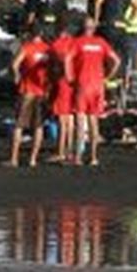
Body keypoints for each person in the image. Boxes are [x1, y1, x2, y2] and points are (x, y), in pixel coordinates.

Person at [67, 15, 120, 168]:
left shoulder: (77, 42)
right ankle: (94, 157)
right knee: (94, 121)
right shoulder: (101, 42)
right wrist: (107, 75)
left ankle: (77, 157)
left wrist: (70, 77)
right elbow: (116, 60)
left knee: (80, 120)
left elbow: (67, 59)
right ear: (94, 28)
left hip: (83, 83)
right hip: (97, 84)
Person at [9, 29, 52, 169]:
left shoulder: (27, 47)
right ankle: (33, 159)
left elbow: (15, 64)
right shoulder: (48, 49)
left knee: (19, 125)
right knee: (38, 126)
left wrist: (16, 76)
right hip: (41, 91)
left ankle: (14, 158)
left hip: (27, 90)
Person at [49, 18, 79, 165]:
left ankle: (61, 152)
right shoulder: (75, 43)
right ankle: (71, 151)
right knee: (71, 119)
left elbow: (53, 67)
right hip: (75, 84)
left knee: (62, 120)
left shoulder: (55, 45)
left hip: (62, 83)